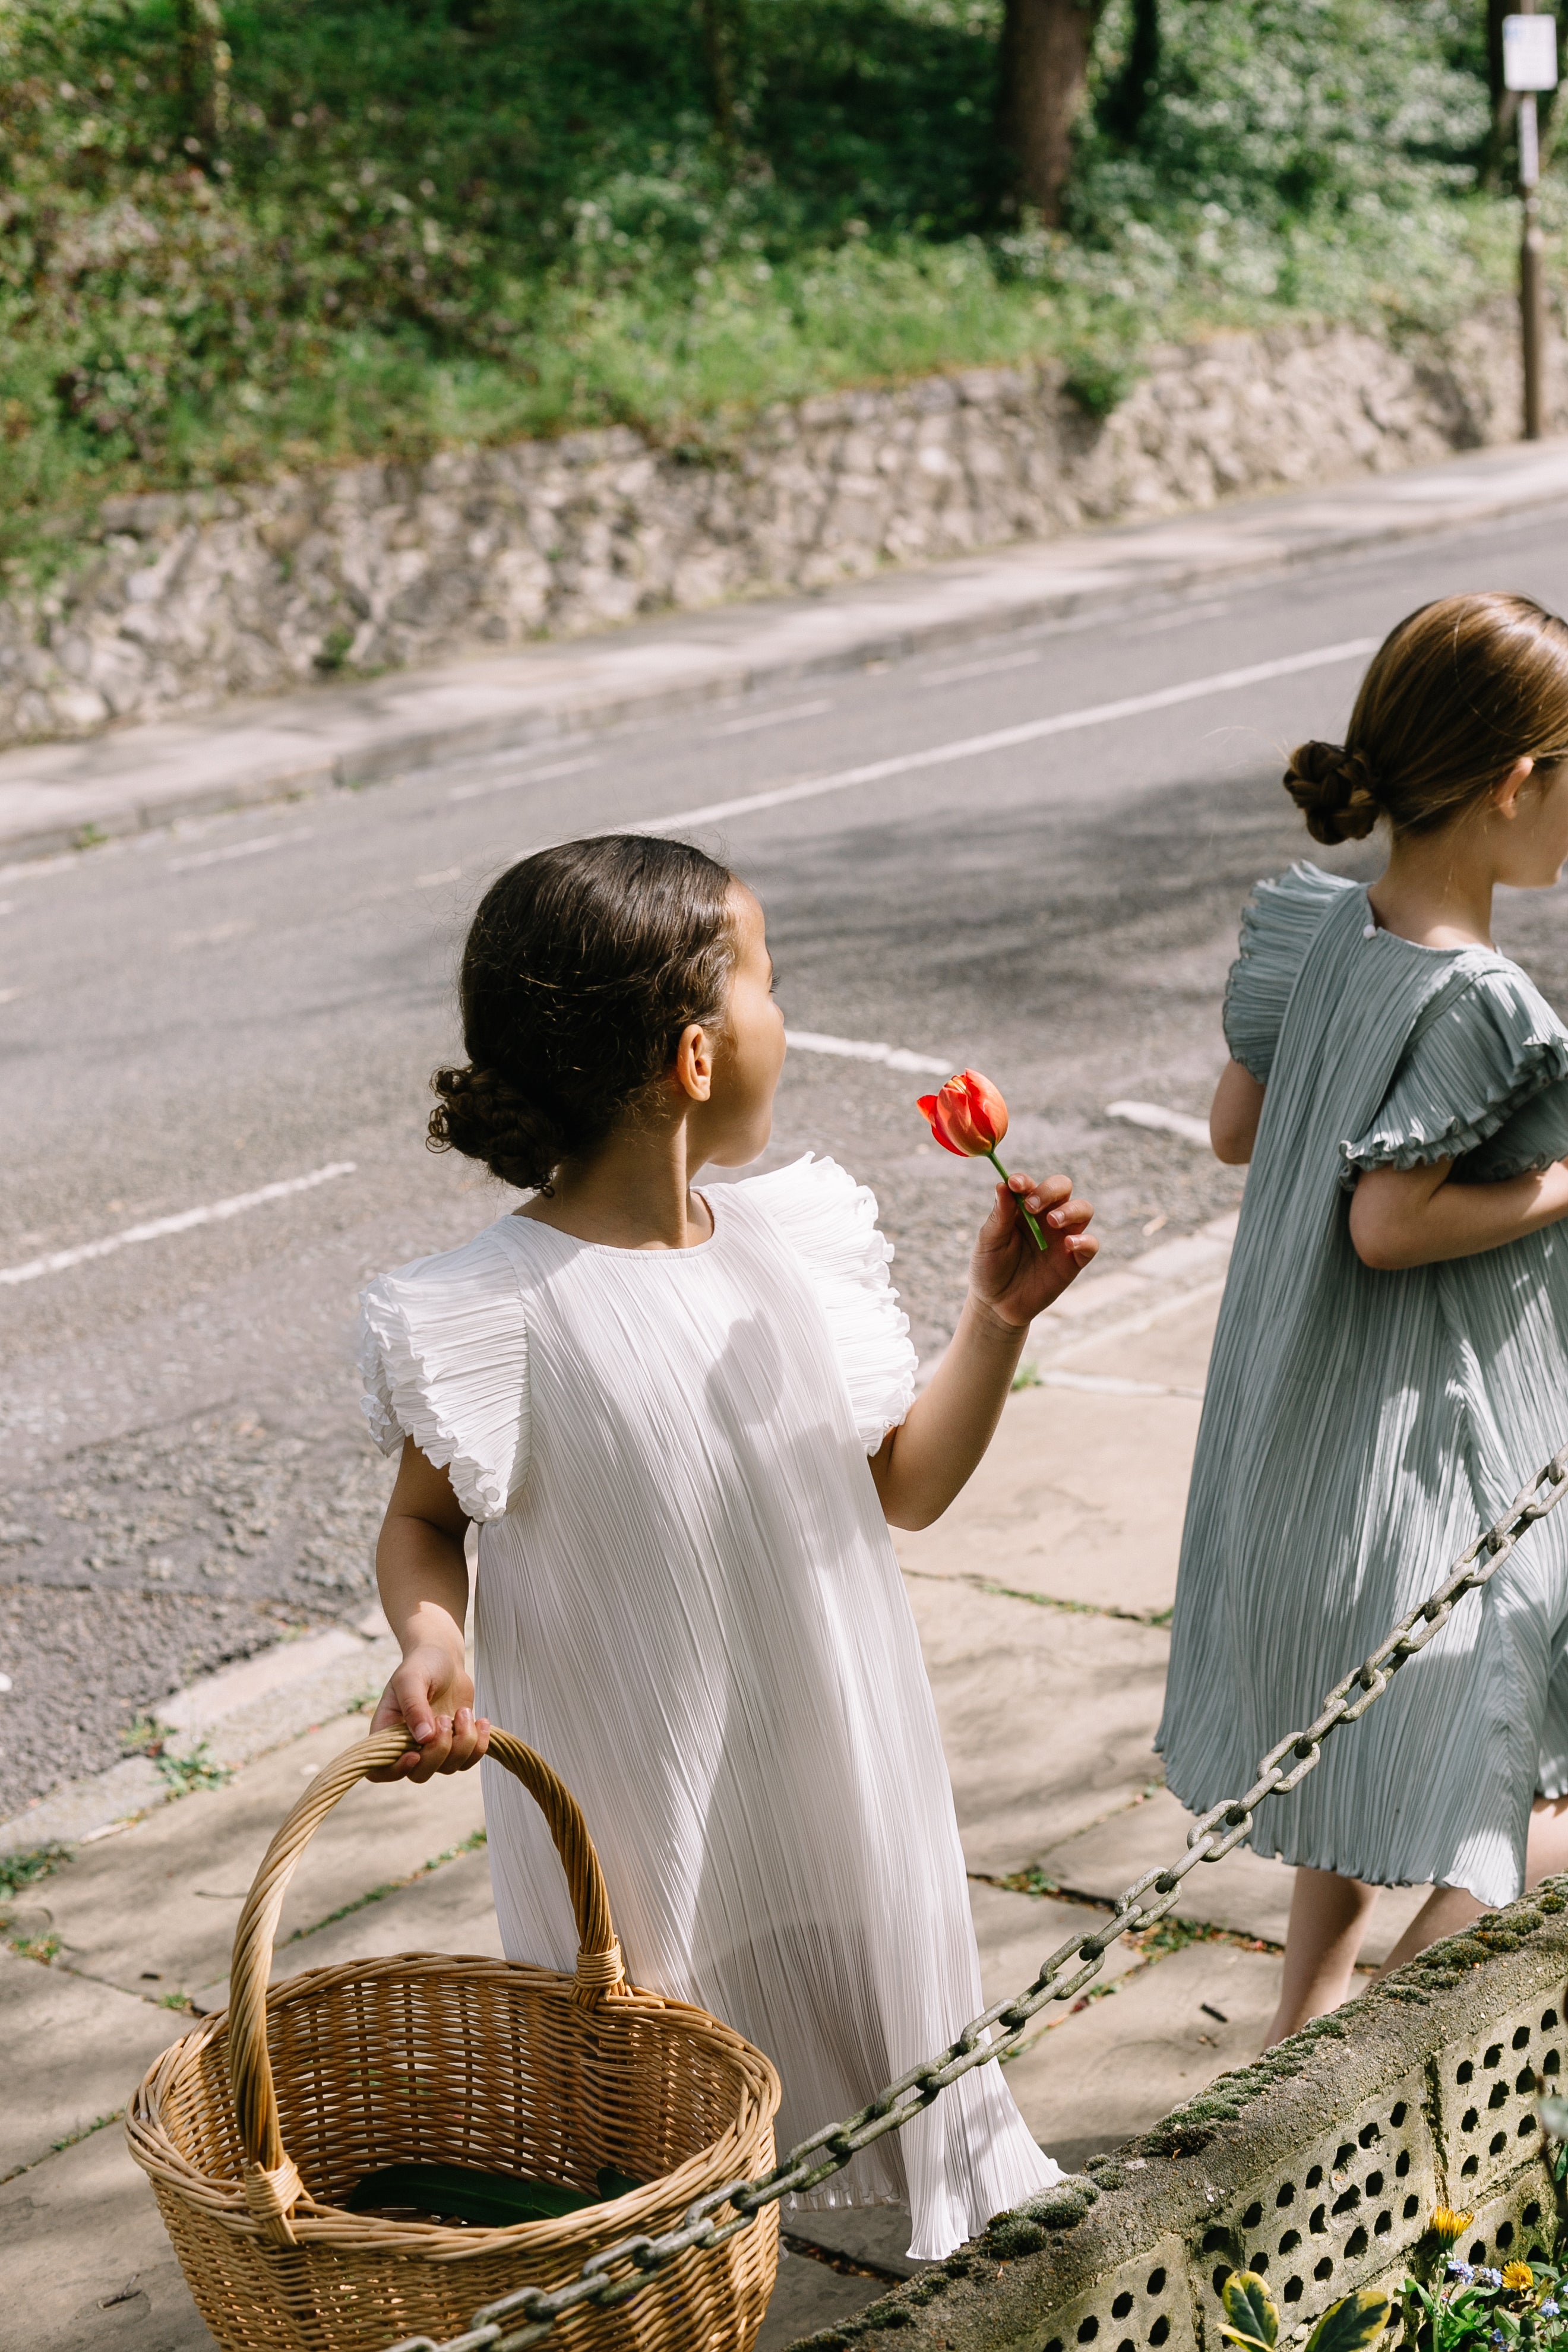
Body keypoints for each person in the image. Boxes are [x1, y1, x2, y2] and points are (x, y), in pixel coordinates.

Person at [356, 832, 1098, 2259]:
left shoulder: (787, 1250)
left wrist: (994, 1323)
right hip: (643, 1798)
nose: (787, 1018)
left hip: (829, 1758)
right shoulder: (500, 1305)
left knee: (867, 2012)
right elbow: (424, 1521)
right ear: (698, 1056)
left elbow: (909, 1485)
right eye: (772, 982)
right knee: (667, 2135)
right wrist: (434, 1637)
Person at [1159, 591, 1568, 2048]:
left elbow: (1232, 1129)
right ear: (1517, 783)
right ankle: (1363, 2061)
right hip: (1429, 1435)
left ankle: (1301, 2021)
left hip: (1293, 1418)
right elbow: (1390, 1226)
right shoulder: (1480, 997)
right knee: (1528, 1774)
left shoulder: (1318, 927)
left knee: (1351, 1722)